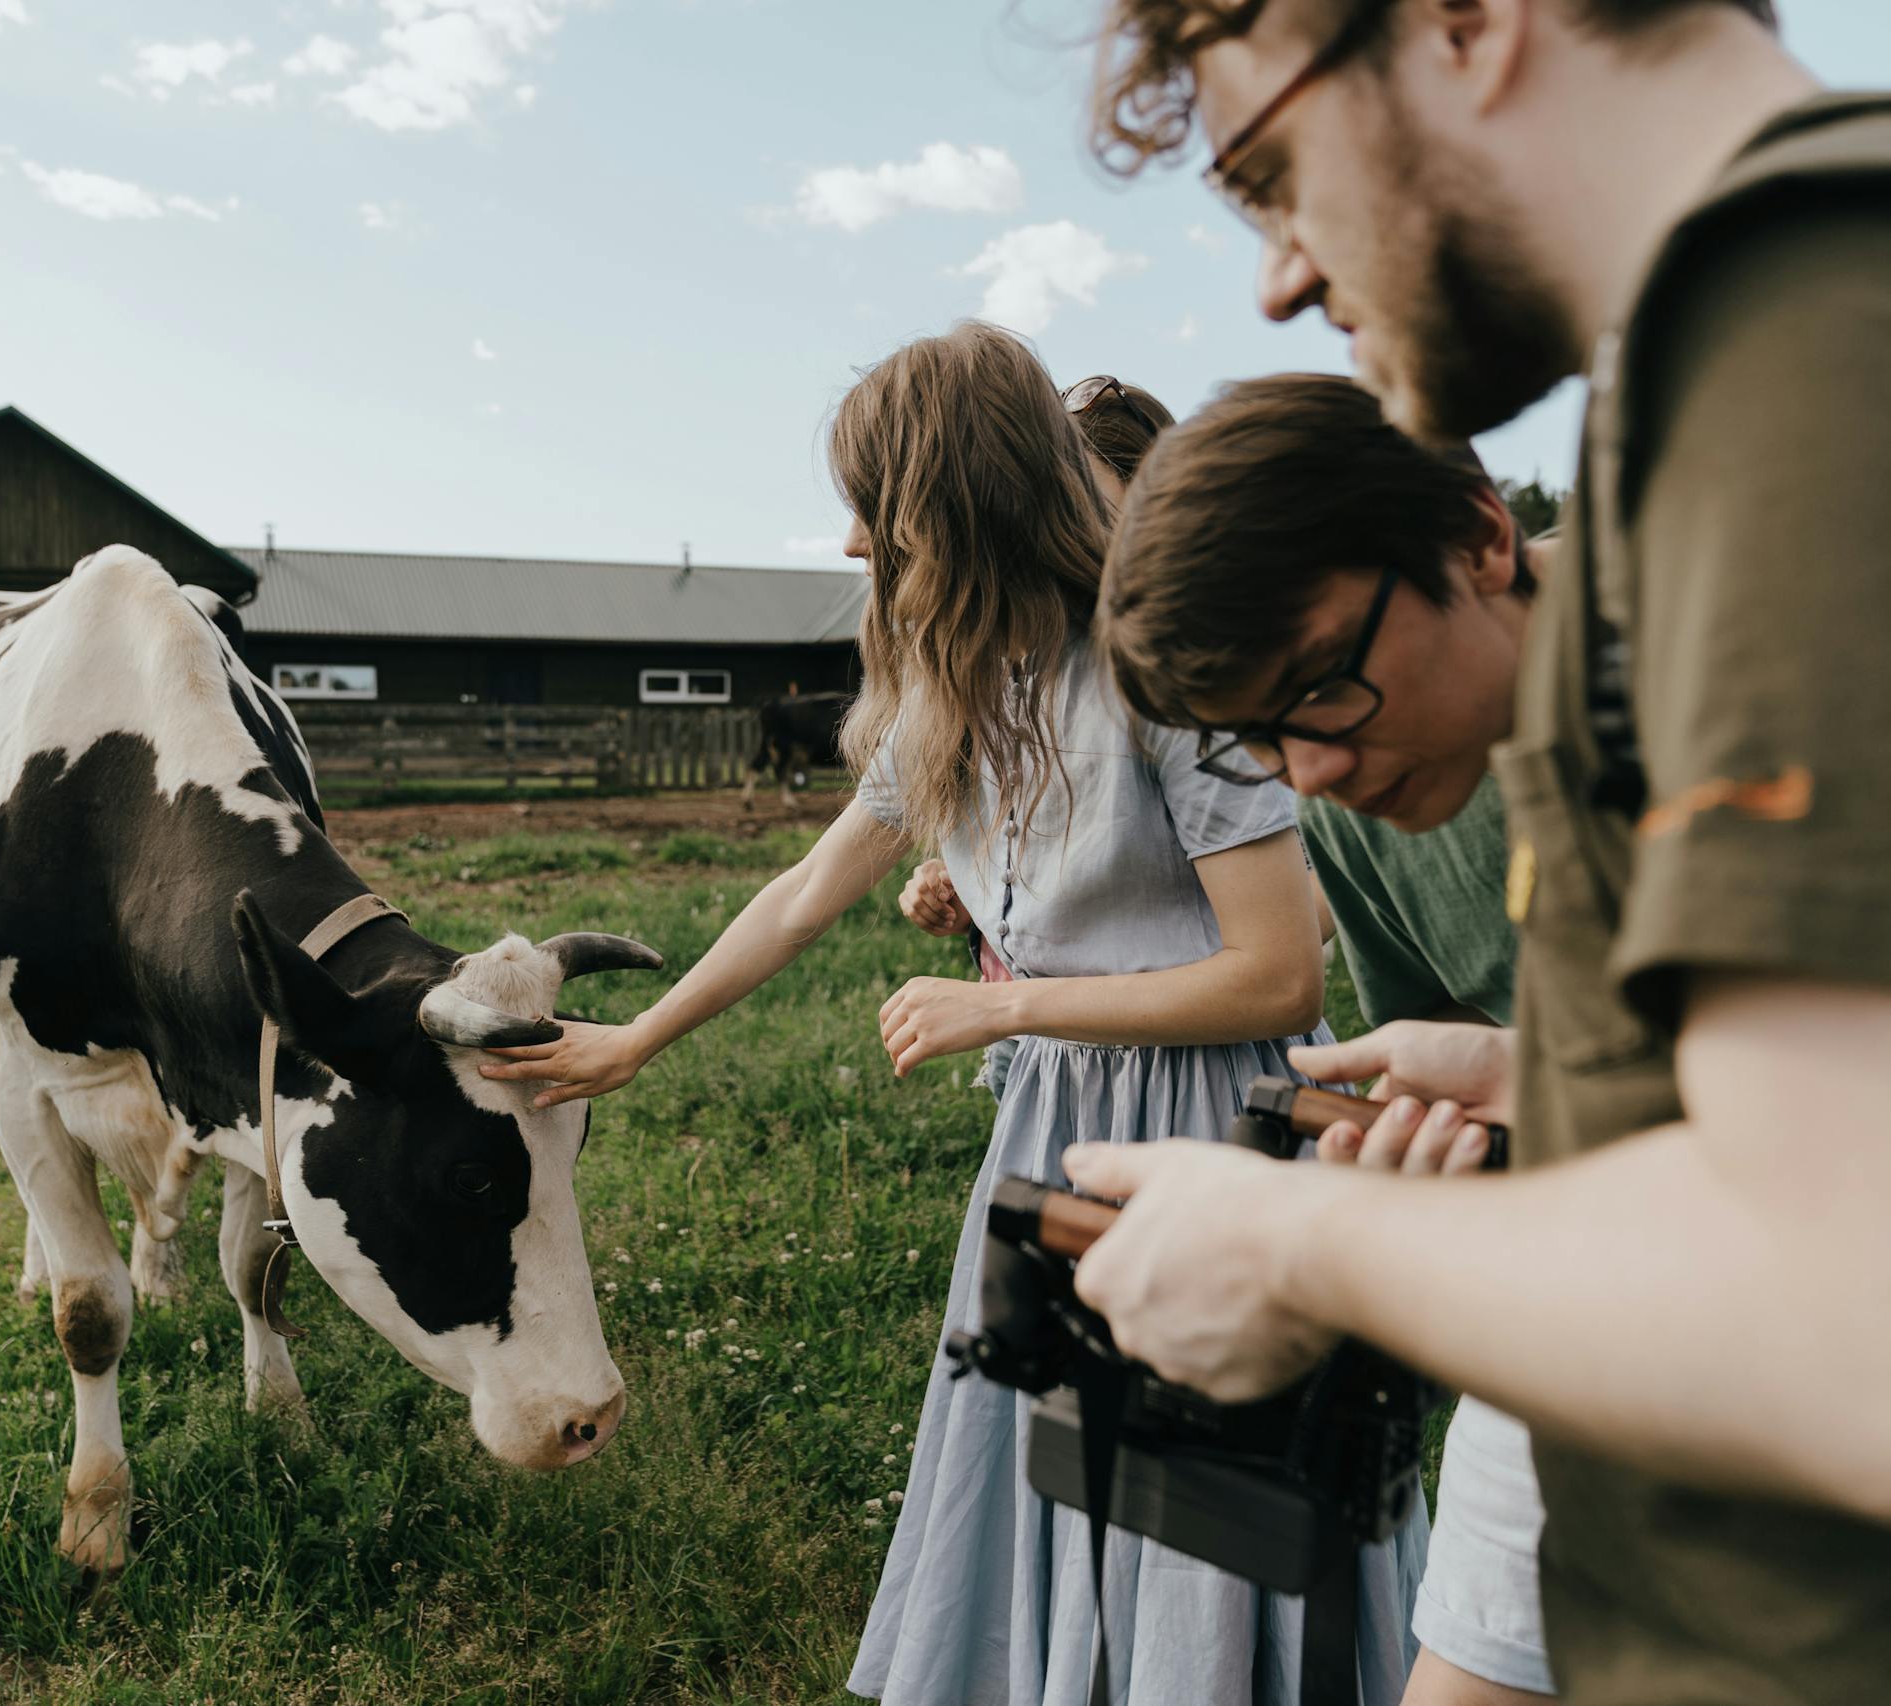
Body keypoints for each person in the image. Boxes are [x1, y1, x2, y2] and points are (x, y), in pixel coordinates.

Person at [1072, 2, 1891, 1701]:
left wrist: (1299, 1247)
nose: (1280, 279)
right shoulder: (1747, 377)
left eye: (1268, 171)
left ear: (1465, 20)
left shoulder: (1818, 346)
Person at [480, 321, 1424, 1704]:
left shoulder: (1167, 672)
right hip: (1055, 1133)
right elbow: (805, 891)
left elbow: (1279, 974)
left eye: (874, 508)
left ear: (952, 505)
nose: (857, 547)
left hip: (1211, 1133)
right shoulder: (951, 695)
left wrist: (1010, 1005)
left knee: (1207, 1514)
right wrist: (640, 1037)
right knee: (1062, 1475)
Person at [1103, 371, 1557, 1705]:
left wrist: (1324, 1256)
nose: (1307, 773)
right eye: (1252, 738)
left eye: (1319, 688)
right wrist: (1499, 1104)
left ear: (1479, 539)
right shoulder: (1360, 792)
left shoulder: (1741, 679)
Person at [899, 373, 1180, 1102]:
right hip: (1026, 1047)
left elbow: (1292, 931)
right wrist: (959, 877)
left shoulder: (1178, 682)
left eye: (1097, 512)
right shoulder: (997, 675)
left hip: (1162, 1065)